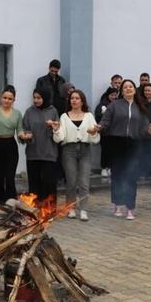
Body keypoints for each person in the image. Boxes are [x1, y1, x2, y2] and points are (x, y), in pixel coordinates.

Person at [91, 79, 151, 220]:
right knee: (117, 176)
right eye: (125, 87)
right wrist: (98, 127)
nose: (128, 89)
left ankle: (130, 208)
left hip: (133, 144)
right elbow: (105, 122)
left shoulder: (140, 108)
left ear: (135, 90)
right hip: (116, 143)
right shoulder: (114, 105)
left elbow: (144, 129)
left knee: (131, 177)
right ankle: (117, 205)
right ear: (121, 91)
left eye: (130, 87)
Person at [53, 89, 100, 220]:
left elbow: (96, 138)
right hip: (69, 150)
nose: (74, 100)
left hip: (85, 149)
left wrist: (93, 132)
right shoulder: (64, 116)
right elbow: (60, 138)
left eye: (77, 98)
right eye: (72, 98)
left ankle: (83, 209)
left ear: (82, 101)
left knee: (84, 182)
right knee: (71, 181)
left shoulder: (89, 116)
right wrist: (56, 130)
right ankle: (71, 208)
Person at [0, 85, 26, 206]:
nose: (7, 101)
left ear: (14, 100)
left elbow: (19, 130)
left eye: (10, 99)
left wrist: (23, 135)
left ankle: (11, 203)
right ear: (1, 97)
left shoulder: (17, 114)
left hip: (11, 146)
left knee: (10, 177)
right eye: (5, 98)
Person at [22, 88, 60, 205]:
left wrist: (54, 127)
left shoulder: (53, 111)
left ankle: (49, 210)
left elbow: (59, 131)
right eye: (34, 98)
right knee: (34, 184)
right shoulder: (29, 112)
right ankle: (34, 209)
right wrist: (25, 135)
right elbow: (24, 128)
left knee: (49, 183)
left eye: (39, 98)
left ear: (45, 98)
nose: (36, 100)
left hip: (49, 154)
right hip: (33, 153)